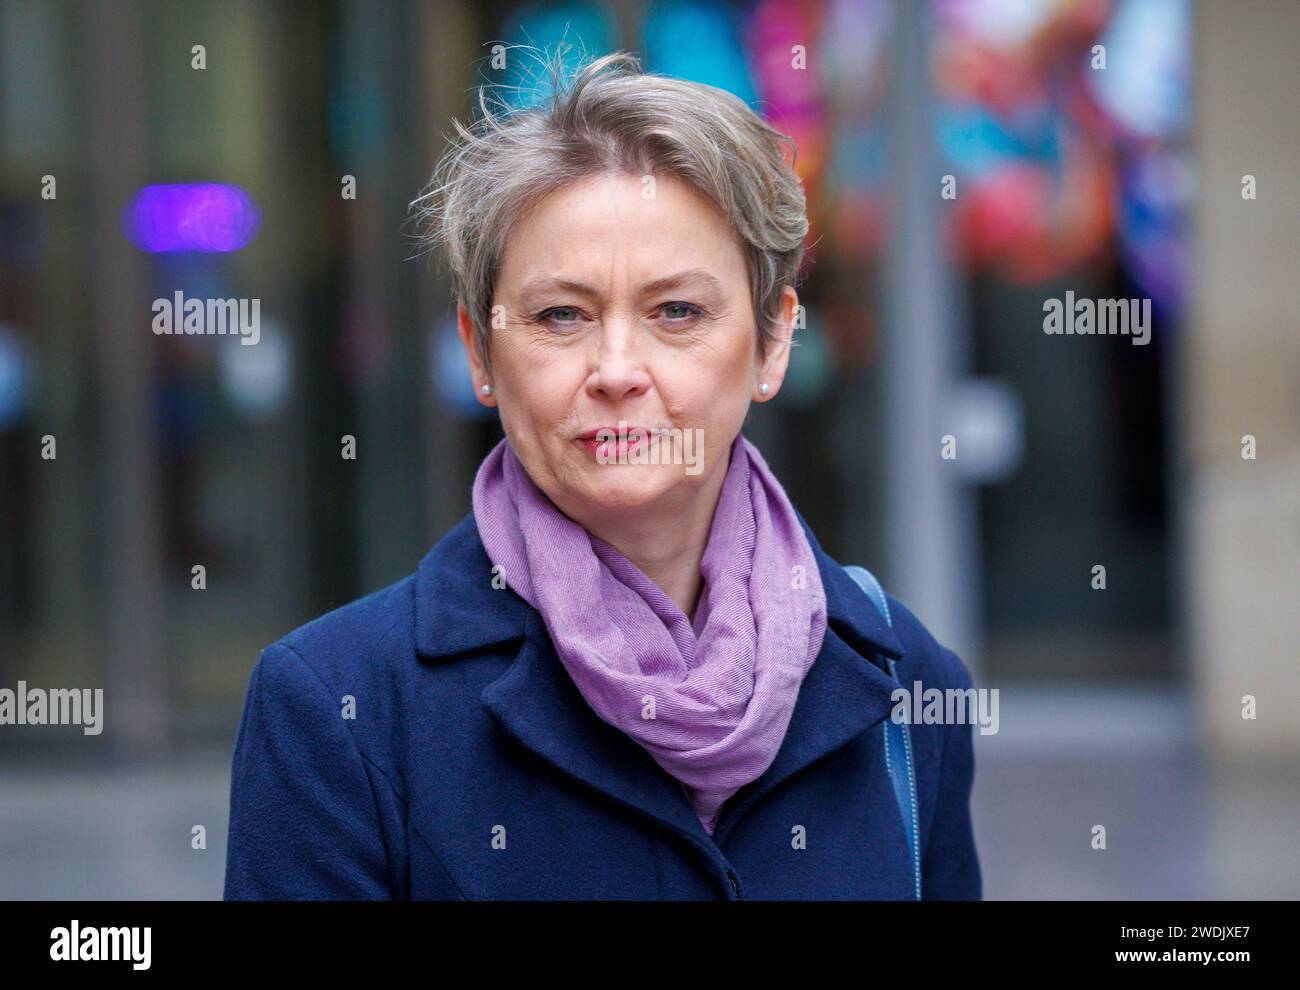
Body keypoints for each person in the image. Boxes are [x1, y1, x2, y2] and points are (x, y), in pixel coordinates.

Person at [223, 48, 981, 900]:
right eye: (561, 315)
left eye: (677, 312)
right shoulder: (337, 706)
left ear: (773, 342)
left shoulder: (907, 680)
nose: (617, 368)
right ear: (481, 352)